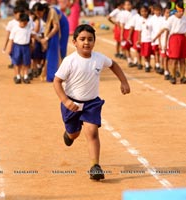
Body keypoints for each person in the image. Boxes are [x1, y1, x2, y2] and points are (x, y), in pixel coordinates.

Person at [53, 24, 130, 180]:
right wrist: (65, 101)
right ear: (74, 42)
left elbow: (113, 65)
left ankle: (95, 166)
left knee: (92, 132)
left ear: (94, 42)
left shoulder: (99, 58)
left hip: (91, 104)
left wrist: (124, 82)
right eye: (82, 39)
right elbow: (57, 81)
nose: (86, 43)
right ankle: (69, 134)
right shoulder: (70, 61)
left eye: (90, 39)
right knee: (74, 134)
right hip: (72, 104)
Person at [33, 2, 60, 82]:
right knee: (49, 52)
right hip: (50, 31)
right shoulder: (40, 15)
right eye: (36, 13)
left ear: (43, 10)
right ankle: (48, 74)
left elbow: (56, 27)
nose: (38, 15)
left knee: (54, 51)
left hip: (60, 27)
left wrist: (47, 38)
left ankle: (53, 75)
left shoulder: (52, 12)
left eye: (39, 13)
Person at [6, 12, 34, 84]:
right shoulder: (15, 29)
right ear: (19, 21)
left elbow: (31, 36)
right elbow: (11, 39)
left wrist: (32, 45)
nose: (24, 24)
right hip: (17, 46)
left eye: (26, 23)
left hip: (26, 46)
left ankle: (25, 75)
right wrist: (9, 48)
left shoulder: (28, 28)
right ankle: (17, 75)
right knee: (17, 62)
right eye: (23, 23)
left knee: (26, 62)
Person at [136, 4, 152, 72]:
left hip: (151, 39)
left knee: (150, 53)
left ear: (148, 11)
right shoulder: (139, 20)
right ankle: (147, 64)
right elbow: (139, 31)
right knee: (145, 54)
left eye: (145, 11)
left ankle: (149, 64)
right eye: (142, 11)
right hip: (144, 39)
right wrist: (139, 40)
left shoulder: (151, 18)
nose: (144, 13)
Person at [149, 3, 163, 74]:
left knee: (162, 53)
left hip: (162, 39)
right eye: (156, 10)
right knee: (156, 53)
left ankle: (162, 66)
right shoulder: (151, 19)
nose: (158, 12)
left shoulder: (162, 18)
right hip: (154, 38)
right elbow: (149, 29)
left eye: (159, 10)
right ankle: (157, 65)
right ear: (153, 11)